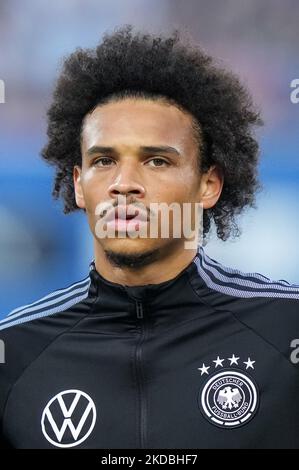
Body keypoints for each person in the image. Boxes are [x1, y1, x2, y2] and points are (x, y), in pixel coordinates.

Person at [0, 25, 298, 449]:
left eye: (156, 161)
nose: (124, 184)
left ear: (208, 184)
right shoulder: (14, 351)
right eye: (104, 160)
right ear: (80, 185)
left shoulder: (286, 330)